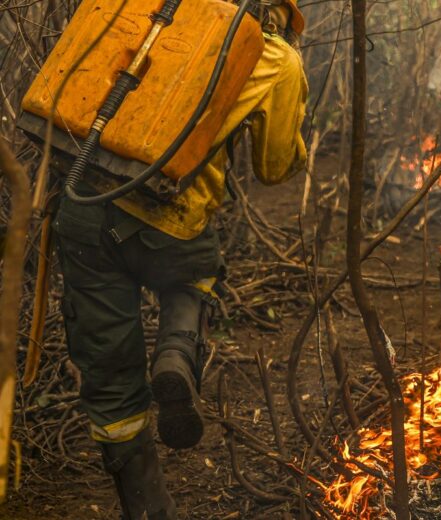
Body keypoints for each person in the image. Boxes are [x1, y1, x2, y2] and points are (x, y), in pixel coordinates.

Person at [47, 1, 308, 517]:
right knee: (195, 272)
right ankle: (176, 349)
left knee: (108, 369)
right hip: (173, 222)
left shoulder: (133, 7)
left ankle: (147, 505)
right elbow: (275, 167)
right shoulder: (274, 56)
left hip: (85, 211)